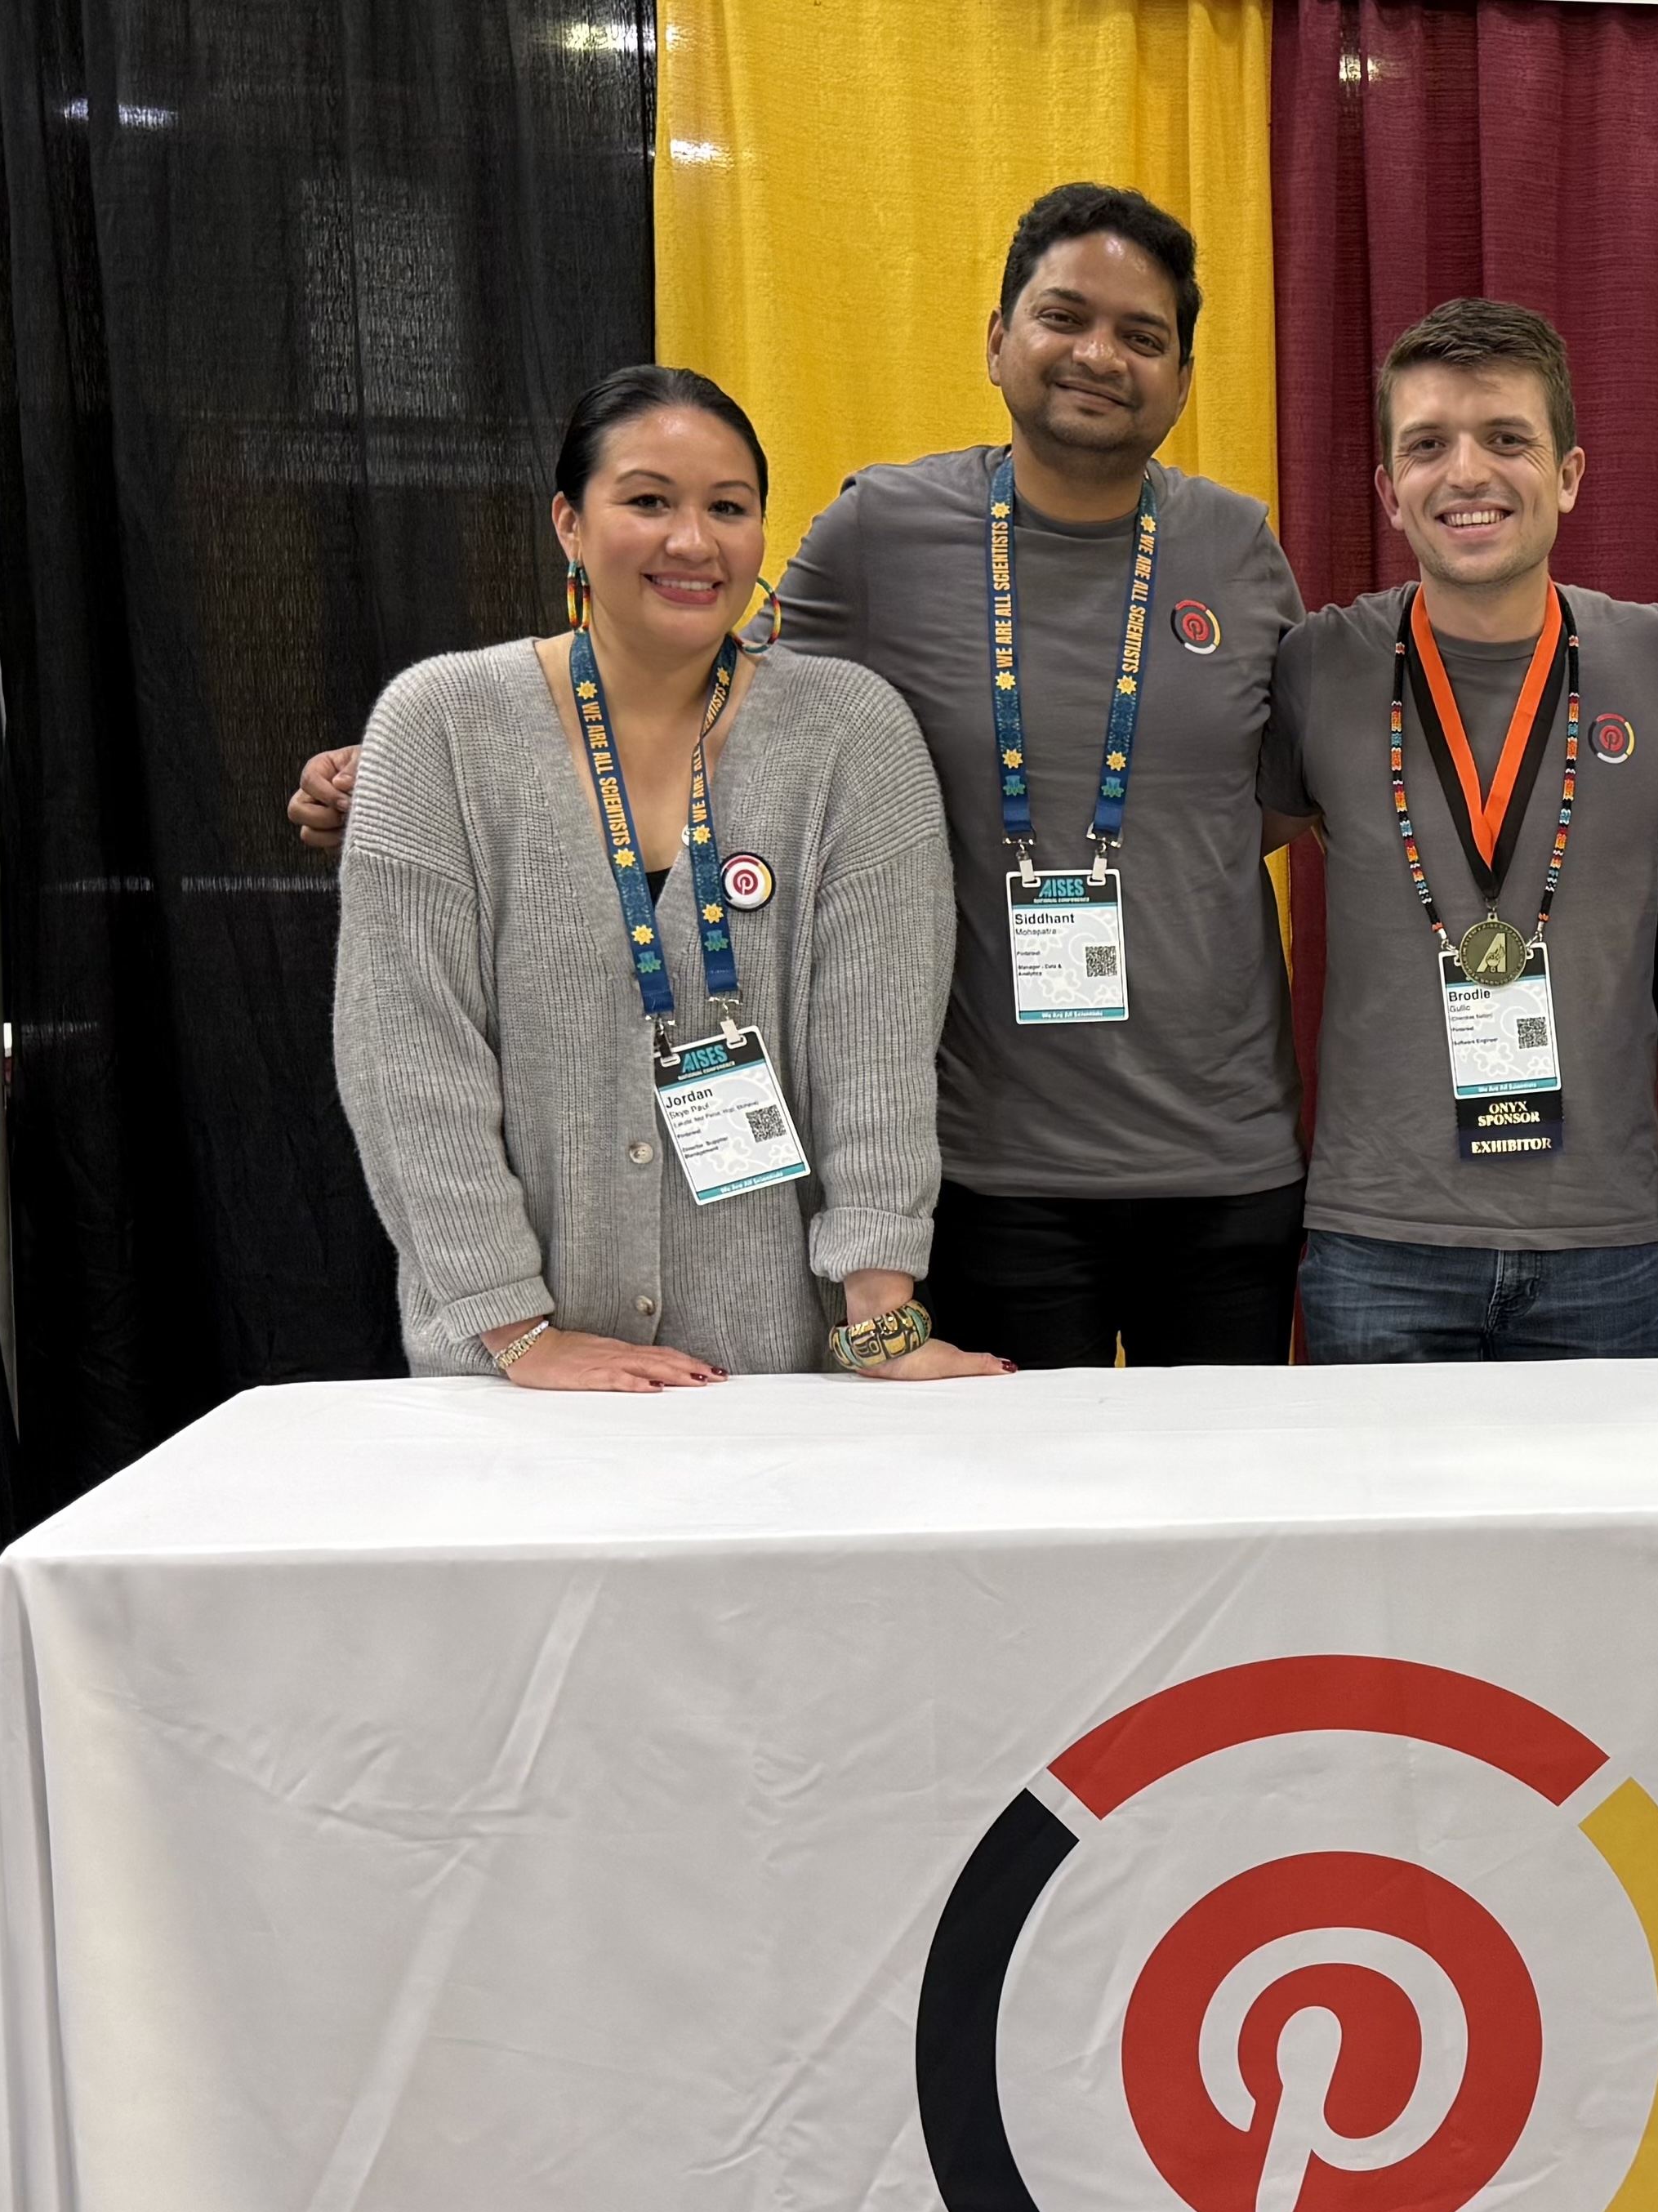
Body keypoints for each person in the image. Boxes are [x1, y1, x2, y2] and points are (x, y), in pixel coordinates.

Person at [304, 185, 1308, 1371]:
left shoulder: (1238, 547)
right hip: (993, 1160)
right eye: (1064, 316)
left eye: (1142, 335)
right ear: (997, 338)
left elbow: (1291, 792)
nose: (1099, 354)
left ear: (1186, 378)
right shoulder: (884, 530)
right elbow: (694, 647)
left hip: (1226, 1150)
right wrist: (431, 772)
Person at [332, 365, 996, 1389]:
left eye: (728, 508)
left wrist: (881, 1324)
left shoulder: (853, 737)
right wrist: (518, 1335)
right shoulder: (441, 728)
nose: (693, 541)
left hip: (773, 1377)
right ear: (569, 522)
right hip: (507, 1389)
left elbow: (876, 1056)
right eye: (648, 501)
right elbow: (408, 1066)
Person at [1259, 299, 1658, 1360]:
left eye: (1507, 438)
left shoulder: (1654, 660)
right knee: (1383, 1533)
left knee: (1601, 1535)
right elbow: (1200, 864)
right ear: (1388, 491)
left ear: (1570, 475)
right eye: (1427, 445)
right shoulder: (1319, 667)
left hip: (1603, 1239)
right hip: (1379, 1239)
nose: (1467, 472)